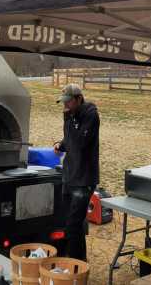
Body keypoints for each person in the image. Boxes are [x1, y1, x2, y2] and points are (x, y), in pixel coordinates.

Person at [54, 83, 100, 261]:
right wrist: (60, 144)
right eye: (63, 102)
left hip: (84, 178)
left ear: (79, 99)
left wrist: (67, 120)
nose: (65, 106)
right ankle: (79, 260)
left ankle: (75, 263)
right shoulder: (71, 114)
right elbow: (69, 140)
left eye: (68, 102)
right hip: (70, 175)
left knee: (73, 225)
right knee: (70, 222)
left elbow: (80, 143)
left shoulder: (90, 115)